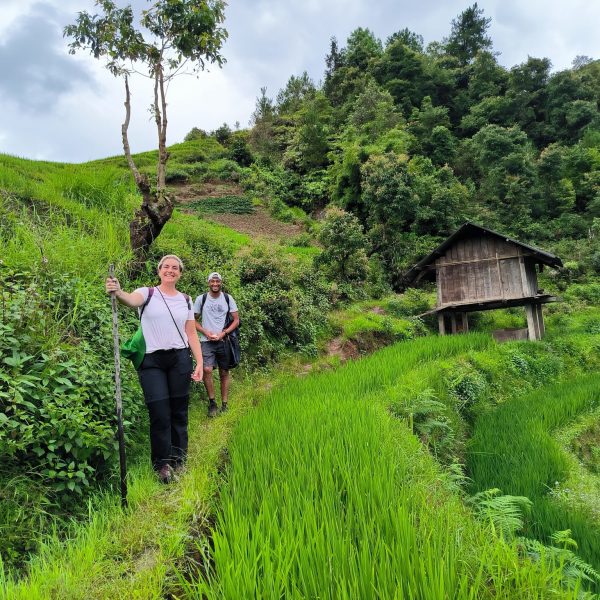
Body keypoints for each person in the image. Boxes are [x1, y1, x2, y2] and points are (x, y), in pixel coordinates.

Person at [105, 255, 203, 484]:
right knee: (159, 413)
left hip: (179, 359)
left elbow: (191, 334)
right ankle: (162, 465)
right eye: (166, 267)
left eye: (175, 268)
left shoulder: (186, 300)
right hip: (152, 362)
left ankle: (179, 459)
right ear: (159, 271)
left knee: (179, 412)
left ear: (180, 273)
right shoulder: (147, 293)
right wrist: (118, 292)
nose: (170, 270)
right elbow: (130, 300)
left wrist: (199, 362)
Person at [194, 272, 239, 417]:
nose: (215, 284)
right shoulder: (202, 299)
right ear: (208, 283)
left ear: (221, 283)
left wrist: (223, 333)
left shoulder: (227, 298)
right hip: (206, 341)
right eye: (212, 281)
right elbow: (193, 320)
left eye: (217, 281)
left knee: (224, 372)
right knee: (207, 369)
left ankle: (224, 404)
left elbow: (236, 320)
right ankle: (212, 402)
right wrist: (205, 332)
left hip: (223, 340)